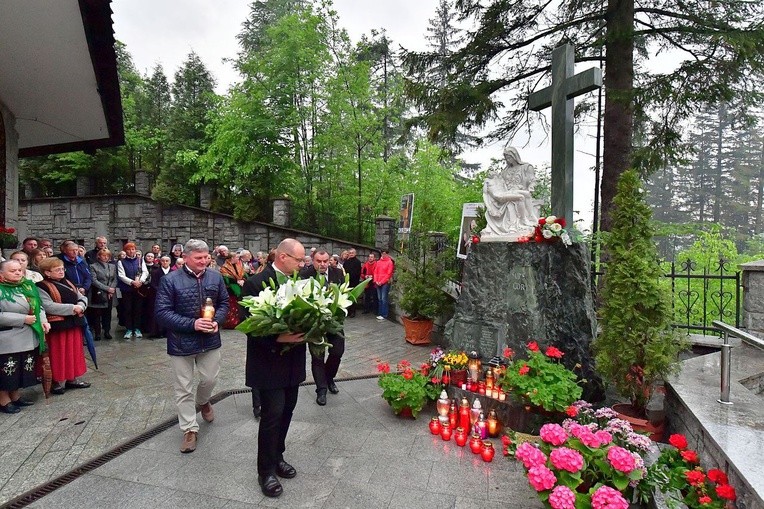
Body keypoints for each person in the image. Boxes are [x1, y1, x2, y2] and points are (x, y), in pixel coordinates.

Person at [240, 238, 306, 498]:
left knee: (288, 410)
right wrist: (278, 337)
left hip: (292, 362)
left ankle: (278, 456)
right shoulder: (255, 283)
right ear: (282, 257)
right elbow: (249, 325)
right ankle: (265, 471)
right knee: (272, 415)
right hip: (268, 362)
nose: (302, 264)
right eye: (298, 260)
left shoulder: (300, 283)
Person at [155, 239, 229, 454]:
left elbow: (224, 303)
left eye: (206, 257)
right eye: (198, 258)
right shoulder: (170, 280)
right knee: (183, 387)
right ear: (185, 257)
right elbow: (162, 313)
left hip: (210, 340)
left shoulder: (215, 276)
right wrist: (192, 324)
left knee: (209, 379)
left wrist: (218, 320)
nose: (203, 261)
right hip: (181, 343)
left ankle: (204, 401)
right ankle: (189, 429)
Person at [0, 260, 49, 413]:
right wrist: (22, 319)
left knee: (21, 368)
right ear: (1, 273)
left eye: (19, 270)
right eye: (12, 270)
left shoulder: (28, 286)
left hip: (29, 336)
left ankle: (15, 396)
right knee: (8, 370)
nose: (17, 273)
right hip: (9, 337)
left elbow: (38, 306)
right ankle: (3, 400)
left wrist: (43, 320)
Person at [36, 257, 90, 395]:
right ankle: (55, 381)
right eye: (57, 269)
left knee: (73, 352)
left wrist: (81, 306)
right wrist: (73, 308)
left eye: (62, 269)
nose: (61, 271)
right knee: (58, 354)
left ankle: (72, 378)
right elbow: (47, 305)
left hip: (74, 323)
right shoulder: (41, 286)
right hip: (58, 325)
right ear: (47, 272)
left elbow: (81, 296)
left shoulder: (68, 282)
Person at [299, 249, 344, 406]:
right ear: (313, 260)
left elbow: (345, 293)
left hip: (334, 321)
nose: (323, 264)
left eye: (325, 261)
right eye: (319, 261)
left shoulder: (338, 273)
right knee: (317, 357)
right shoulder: (304, 275)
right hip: (314, 324)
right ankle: (321, 390)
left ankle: (329, 378)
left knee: (338, 352)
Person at [482, 146, 538, 238]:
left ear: (514, 156)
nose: (507, 160)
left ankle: (530, 217)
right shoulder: (504, 171)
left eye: (509, 157)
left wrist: (531, 187)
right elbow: (498, 186)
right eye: (506, 158)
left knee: (526, 194)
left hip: (518, 191)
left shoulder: (526, 167)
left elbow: (533, 180)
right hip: (507, 193)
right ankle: (522, 220)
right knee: (517, 199)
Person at [117, 242, 148, 339]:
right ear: (125, 251)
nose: (131, 251)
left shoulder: (140, 260)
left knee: (138, 309)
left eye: (133, 249)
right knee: (128, 309)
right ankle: (129, 329)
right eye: (129, 249)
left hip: (138, 289)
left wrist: (141, 281)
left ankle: (137, 328)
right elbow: (121, 275)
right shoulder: (121, 262)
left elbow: (145, 272)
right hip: (127, 289)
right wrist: (132, 282)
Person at [87, 249, 117, 341]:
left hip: (109, 293)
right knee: (97, 314)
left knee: (107, 313)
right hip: (98, 292)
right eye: (104, 255)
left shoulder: (112, 266)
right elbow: (94, 280)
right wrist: (107, 289)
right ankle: (97, 333)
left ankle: (107, 331)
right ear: (99, 256)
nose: (106, 257)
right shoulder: (93, 266)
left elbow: (114, 279)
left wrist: (111, 289)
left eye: (107, 256)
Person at [220, 251, 245, 329]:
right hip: (230, 289)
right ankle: (230, 323)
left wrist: (242, 280)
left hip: (240, 287)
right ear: (232, 258)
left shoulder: (239, 265)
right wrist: (236, 281)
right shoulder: (225, 267)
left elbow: (243, 275)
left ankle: (239, 321)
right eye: (237, 257)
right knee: (231, 306)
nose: (238, 259)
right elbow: (226, 279)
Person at [148, 256, 171, 338]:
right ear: (160, 262)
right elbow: (153, 284)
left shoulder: (173, 272)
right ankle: (158, 331)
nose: (165, 262)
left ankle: (168, 331)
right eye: (163, 261)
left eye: (167, 261)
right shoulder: (155, 272)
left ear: (170, 262)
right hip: (158, 295)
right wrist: (162, 291)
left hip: (171, 296)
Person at [372, 249, 395, 320]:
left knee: (384, 298)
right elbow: (375, 272)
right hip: (378, 282)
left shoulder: (390, 262)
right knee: (380, 299)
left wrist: (381, 282)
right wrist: (376, 280)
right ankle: (380, 313)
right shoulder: (378, 262)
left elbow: (389, 274)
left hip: (385, 283)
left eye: (385, 254)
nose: (383, 255)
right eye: (382, 254)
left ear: (387, 254)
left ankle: (384, 314)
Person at [343, 248, 362, 318]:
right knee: (348, 297)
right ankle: (349, 311)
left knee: (353, 297)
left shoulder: (358, 262)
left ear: (355, 253)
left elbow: (358, 273)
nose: (351, 254)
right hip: (347, 283)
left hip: (354, 282)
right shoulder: (346, 262)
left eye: (352, 253)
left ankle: (353, 312)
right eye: (350, 253)